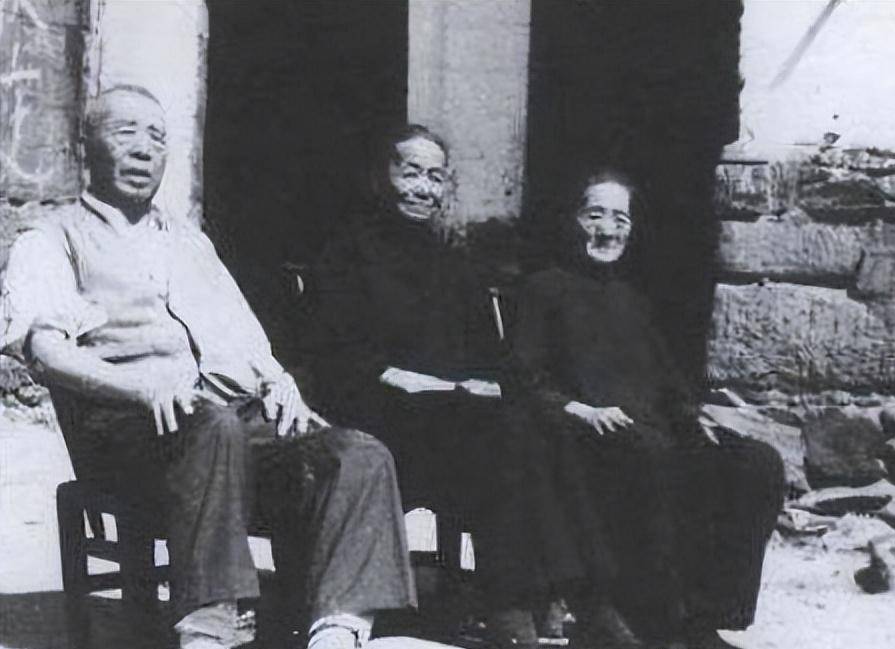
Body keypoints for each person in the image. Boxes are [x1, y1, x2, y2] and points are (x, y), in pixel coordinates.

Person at [0, 85, 416, 649]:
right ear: (84, 148)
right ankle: (210, 626)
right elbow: (48, 353)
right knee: (213, 425)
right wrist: (139, 387)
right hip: (127, 434)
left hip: (226, 429)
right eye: (125, 133)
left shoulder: (192, 243)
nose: (144, 149)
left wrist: (280, 383)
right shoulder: (52, 239)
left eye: (157, 138)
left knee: (358, 454)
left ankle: (339, 627)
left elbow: (249, 344)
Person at [504, 170, 786, 649]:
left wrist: (693, 417)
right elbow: (523, 381)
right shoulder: (543, 289)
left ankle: (708, 616)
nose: (607, 230)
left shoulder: (632, 299)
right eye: (595, 215)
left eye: (620, 219)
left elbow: (668, 381)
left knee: (756, 462)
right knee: (650, 457)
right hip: (584, 434)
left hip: (654, 431)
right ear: (573, 219)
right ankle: (660, 621)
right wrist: (582, 411)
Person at [307, 125, 554, 645]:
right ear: (382, 177)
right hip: (379, 414)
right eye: (411, 173)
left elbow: (495, 356)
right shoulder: (345, 254)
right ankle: (506, 602)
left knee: (520, 424)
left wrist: (489, 385)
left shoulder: (456, 263)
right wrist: (394, 376)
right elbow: (331, 356)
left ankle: (512, 601)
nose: (423, 188)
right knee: (485, 432)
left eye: (435, 177)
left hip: (454, 415)